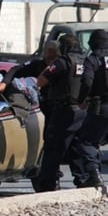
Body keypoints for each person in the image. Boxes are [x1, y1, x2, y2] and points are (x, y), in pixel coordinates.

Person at [35, 34, 87, 192]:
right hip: (81, 110)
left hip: (63, 110)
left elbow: (41, 81)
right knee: (75, 146)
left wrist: (49, 66)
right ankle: (83, 179)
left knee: (53, 146)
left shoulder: (63, 62)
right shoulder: (86, 61)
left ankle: (47, 183)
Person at [70, 29, 108, 188]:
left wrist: (81, 99)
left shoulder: (93, 59)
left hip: (101, 107)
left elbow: (86, 82)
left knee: (86, 141)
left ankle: (94, 175)